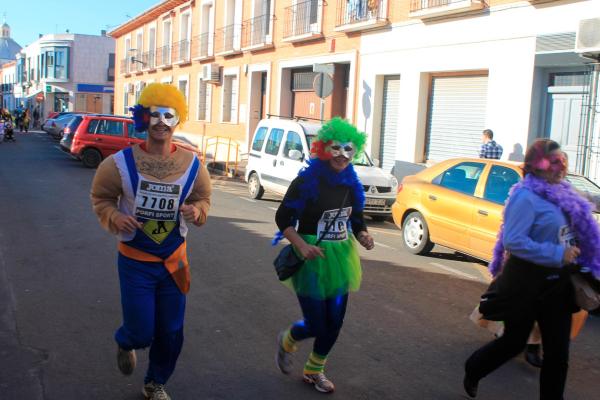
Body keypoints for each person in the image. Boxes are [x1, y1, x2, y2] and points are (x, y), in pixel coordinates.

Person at [90, 83, 212, 400]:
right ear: (144, 118)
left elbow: (204, 200)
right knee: (142, 329)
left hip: (175, 261)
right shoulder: (118, 163)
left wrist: (195, 210)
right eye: (154, 114)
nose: (160, 122)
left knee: (171, 331)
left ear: (177, 120)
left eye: (168, 115)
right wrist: (115, 217)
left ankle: (155, 382)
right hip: (135, 262)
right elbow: (101, 198)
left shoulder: (192, 165)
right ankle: (126, 340)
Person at [463, 139, 600, 399]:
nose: (561, 167)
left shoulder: (565, 191)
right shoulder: (525, 197)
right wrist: (558, 253)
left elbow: (589, 202)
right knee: (513, 342)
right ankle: (474, 368)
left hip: (557, 286)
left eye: (564, 161)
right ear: (537, 165)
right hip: (525, 284)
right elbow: (514, 241)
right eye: (554, 161)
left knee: (558, 354)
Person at [273, 118, 375, 393]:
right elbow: (282, 217)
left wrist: (362, 234)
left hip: (341, 257)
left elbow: (356, 219)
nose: (342, 155)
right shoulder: (307, 180)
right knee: (317, 322)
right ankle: (289, 338)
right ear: (324, 148)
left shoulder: (351, 182)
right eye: (336, 148)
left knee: (335, 322)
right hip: (311, 256)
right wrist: (301, 245)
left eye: (348, 150)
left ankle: (314, 370)